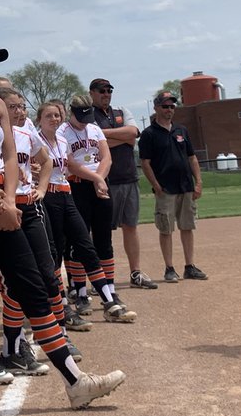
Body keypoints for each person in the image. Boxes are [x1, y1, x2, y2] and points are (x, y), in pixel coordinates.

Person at [0, 43, 125, 413]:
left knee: (34, 288)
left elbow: (10, 156)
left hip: (6, 202)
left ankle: (75, 381)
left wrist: (9, 201)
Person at [36, 100, 135, 327]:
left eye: (56, 115)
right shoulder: (35, 140)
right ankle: (63, 306)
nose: (54, 119)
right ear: (39, 119)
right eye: (48, 116)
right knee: (55, 251)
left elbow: (80, 162)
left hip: (66, 195)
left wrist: (97, 178)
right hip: (49, 197)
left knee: (86, 245)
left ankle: (109, 301)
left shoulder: (62, 140)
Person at [88, 79, 156, 290]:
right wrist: (121, 136)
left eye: (109, 90)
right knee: (100, 231)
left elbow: (133, 134)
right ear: (92, 93)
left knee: (131, 226)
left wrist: (103, 135)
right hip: (105, 180)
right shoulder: (88, 115)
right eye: (101, 91)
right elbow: (92, 142)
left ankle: (135, 272)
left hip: (129, 177)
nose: (106, 94)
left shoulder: (121, 111)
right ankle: (99, 278)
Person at [138, 92, 207, 283]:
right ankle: (169, 268)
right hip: (165, 189)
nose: (169, 110)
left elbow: (192, 158)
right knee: (166, 229)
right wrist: (156, 185)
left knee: (187, 226)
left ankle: (189, 266)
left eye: (172, 106)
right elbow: (145, 163)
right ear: (156, 108)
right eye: (165, 106)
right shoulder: (149, 134)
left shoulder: (181, 130)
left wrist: (198, 182)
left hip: (186, 186)